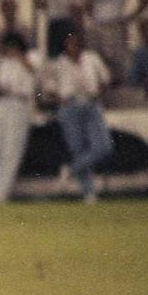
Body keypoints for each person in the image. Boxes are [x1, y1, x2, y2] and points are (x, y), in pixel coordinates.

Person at [43, 23, 113, 203]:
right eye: (70, 42)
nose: (74, 45)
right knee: (78, 149)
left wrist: (99, 92)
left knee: (103, 147)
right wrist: (60, 98)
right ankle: (89, 193)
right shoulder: (58, 63)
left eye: (76, 41)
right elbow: (48, 91)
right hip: (70, 107)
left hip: (91, 103)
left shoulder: (91, 58)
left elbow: (106, 79)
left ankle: (71, 170)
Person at [0, 32, 37, 203]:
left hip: (19, 104)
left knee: (11, 152)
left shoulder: (31, 57)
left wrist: (19, 57)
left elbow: (34, 71)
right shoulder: (3, 63)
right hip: (2, 104)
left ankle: (1, 195)